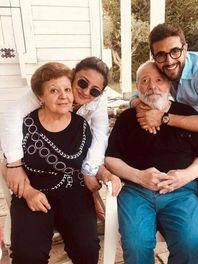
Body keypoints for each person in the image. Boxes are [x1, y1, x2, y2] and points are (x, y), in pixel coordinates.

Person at [105, 61, 198, 264]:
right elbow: (110, 159)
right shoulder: (126, 119)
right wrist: (138, 176)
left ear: (169, 84)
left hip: (180, 191)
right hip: (136, 192)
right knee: (136, 245)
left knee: (192, 243)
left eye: (158, 80)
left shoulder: (186, 114)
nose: (152, 86)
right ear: (138, 87)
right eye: (144, 80)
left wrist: (184, 176)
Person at [1, 62, 101, 264]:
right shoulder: (25, 125)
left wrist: (100, 188)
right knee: (27, 254)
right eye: (54, 90)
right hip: (33, 193)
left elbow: (92, 165)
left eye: (67, 89)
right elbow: (7, 166)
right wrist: (27, 193)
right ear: (40, 96)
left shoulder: (82, 126)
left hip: (74, 192)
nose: (63, 96)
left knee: (87, 247)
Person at [0, 56, 118, 202]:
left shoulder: (98, 102)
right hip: (38, 145)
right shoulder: (48, 88)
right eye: (82, 83)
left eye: (94, 91)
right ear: (73, 74)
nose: (86, 92)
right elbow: (13, 115)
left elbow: (100, 134)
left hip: (71, 147)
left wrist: (89, 170)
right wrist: (15, 165)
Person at [133, 23, 198, 176]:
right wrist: (140, 107)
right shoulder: (160, 66)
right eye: (161, 55)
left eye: (175, 51)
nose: (169, 61)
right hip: (188, 118)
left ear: (185, 48)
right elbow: (138, 93)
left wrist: (163, 118)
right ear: (154, 56)